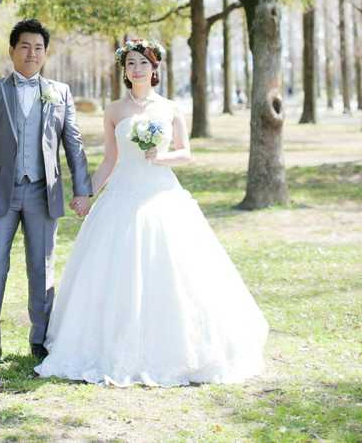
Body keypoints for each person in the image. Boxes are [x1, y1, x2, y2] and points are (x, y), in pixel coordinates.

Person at [35, 38, 269, 386]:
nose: (137, 69)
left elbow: (185, 152)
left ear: (154, 68)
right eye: (131, 63)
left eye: (143, 63)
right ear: (124, 70)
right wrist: (87, 194)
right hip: (121, 196)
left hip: (161, 193)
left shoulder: (170, 108)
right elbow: (110, 160)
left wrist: (161, 158)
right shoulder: (114, 110)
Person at [0, 18, 92, 369]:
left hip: (43, 192)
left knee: (42, 267)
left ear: (45, 53)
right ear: (12, 51)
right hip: (0, 194)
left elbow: (73, 144)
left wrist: (83, 189)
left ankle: (41, 340)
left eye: (38, 48)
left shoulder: (60, 92)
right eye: (25, 46)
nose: (31, 53)